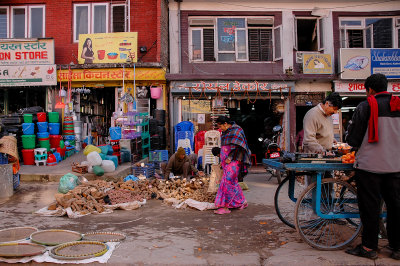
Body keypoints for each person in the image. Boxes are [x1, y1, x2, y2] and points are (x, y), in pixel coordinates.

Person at [345, 73, 400, 260]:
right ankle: (397, 248)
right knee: (396, 207)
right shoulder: (398, 103)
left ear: (369, 89)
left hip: (369, 167)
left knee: (370, 208)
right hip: (396, 167)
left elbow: (353, 139)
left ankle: (369, 248)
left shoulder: (366, 105)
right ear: (387, 86)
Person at [213, 116, 250, 214]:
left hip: (234, 161)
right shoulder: (225, 133)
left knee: (226, 182)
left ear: (225, 123)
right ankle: (242, 202)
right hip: (226, 162)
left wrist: (230, 156)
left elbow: (240, 147)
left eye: (220, 126)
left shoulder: (237, 131)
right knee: (233, 182)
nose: (220, 129)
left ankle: (225, 207)